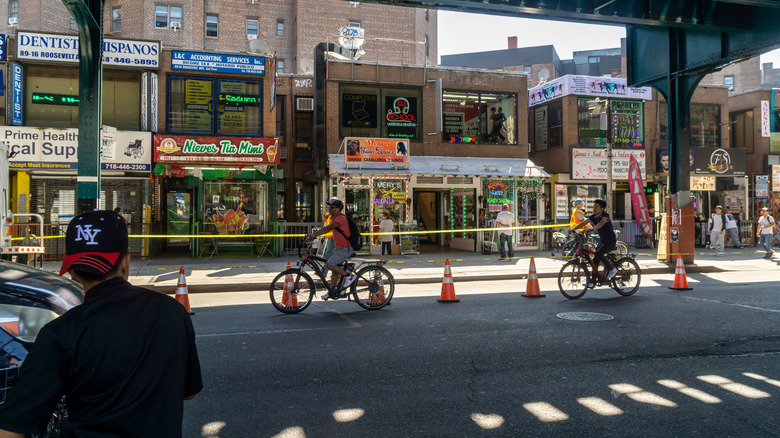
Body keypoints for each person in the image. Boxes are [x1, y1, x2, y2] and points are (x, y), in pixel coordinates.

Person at [0, 210, 202, 437]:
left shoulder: (61, 333)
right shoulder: (173, 312)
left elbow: (12, 429)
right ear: (126, 262)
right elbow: (188, 392)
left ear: (73, 271)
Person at [307, 198, 357, 299]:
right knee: (334, 272)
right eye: (329, 207)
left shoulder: (340, 218)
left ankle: (349, 276)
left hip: (345, 248)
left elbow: (327, 228)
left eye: (332, 207)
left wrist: (313, 235)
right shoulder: (334, 218)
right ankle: (332, 291)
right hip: (339, 248)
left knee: (329, 264)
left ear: (338, 209)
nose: (329, 209)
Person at [573, 199, 618, 286]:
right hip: (602, 240)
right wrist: (573, 230)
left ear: (602, 209)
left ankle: (612, 269)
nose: (594, 209)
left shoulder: (605, 216)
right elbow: (584, 222)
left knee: (598, 254)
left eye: (596, 207)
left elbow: (601, 224)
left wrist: (592, 229)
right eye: (593, 207)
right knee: (595, 260)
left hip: (610, 240)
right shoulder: (594, 216)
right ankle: (593, 281)